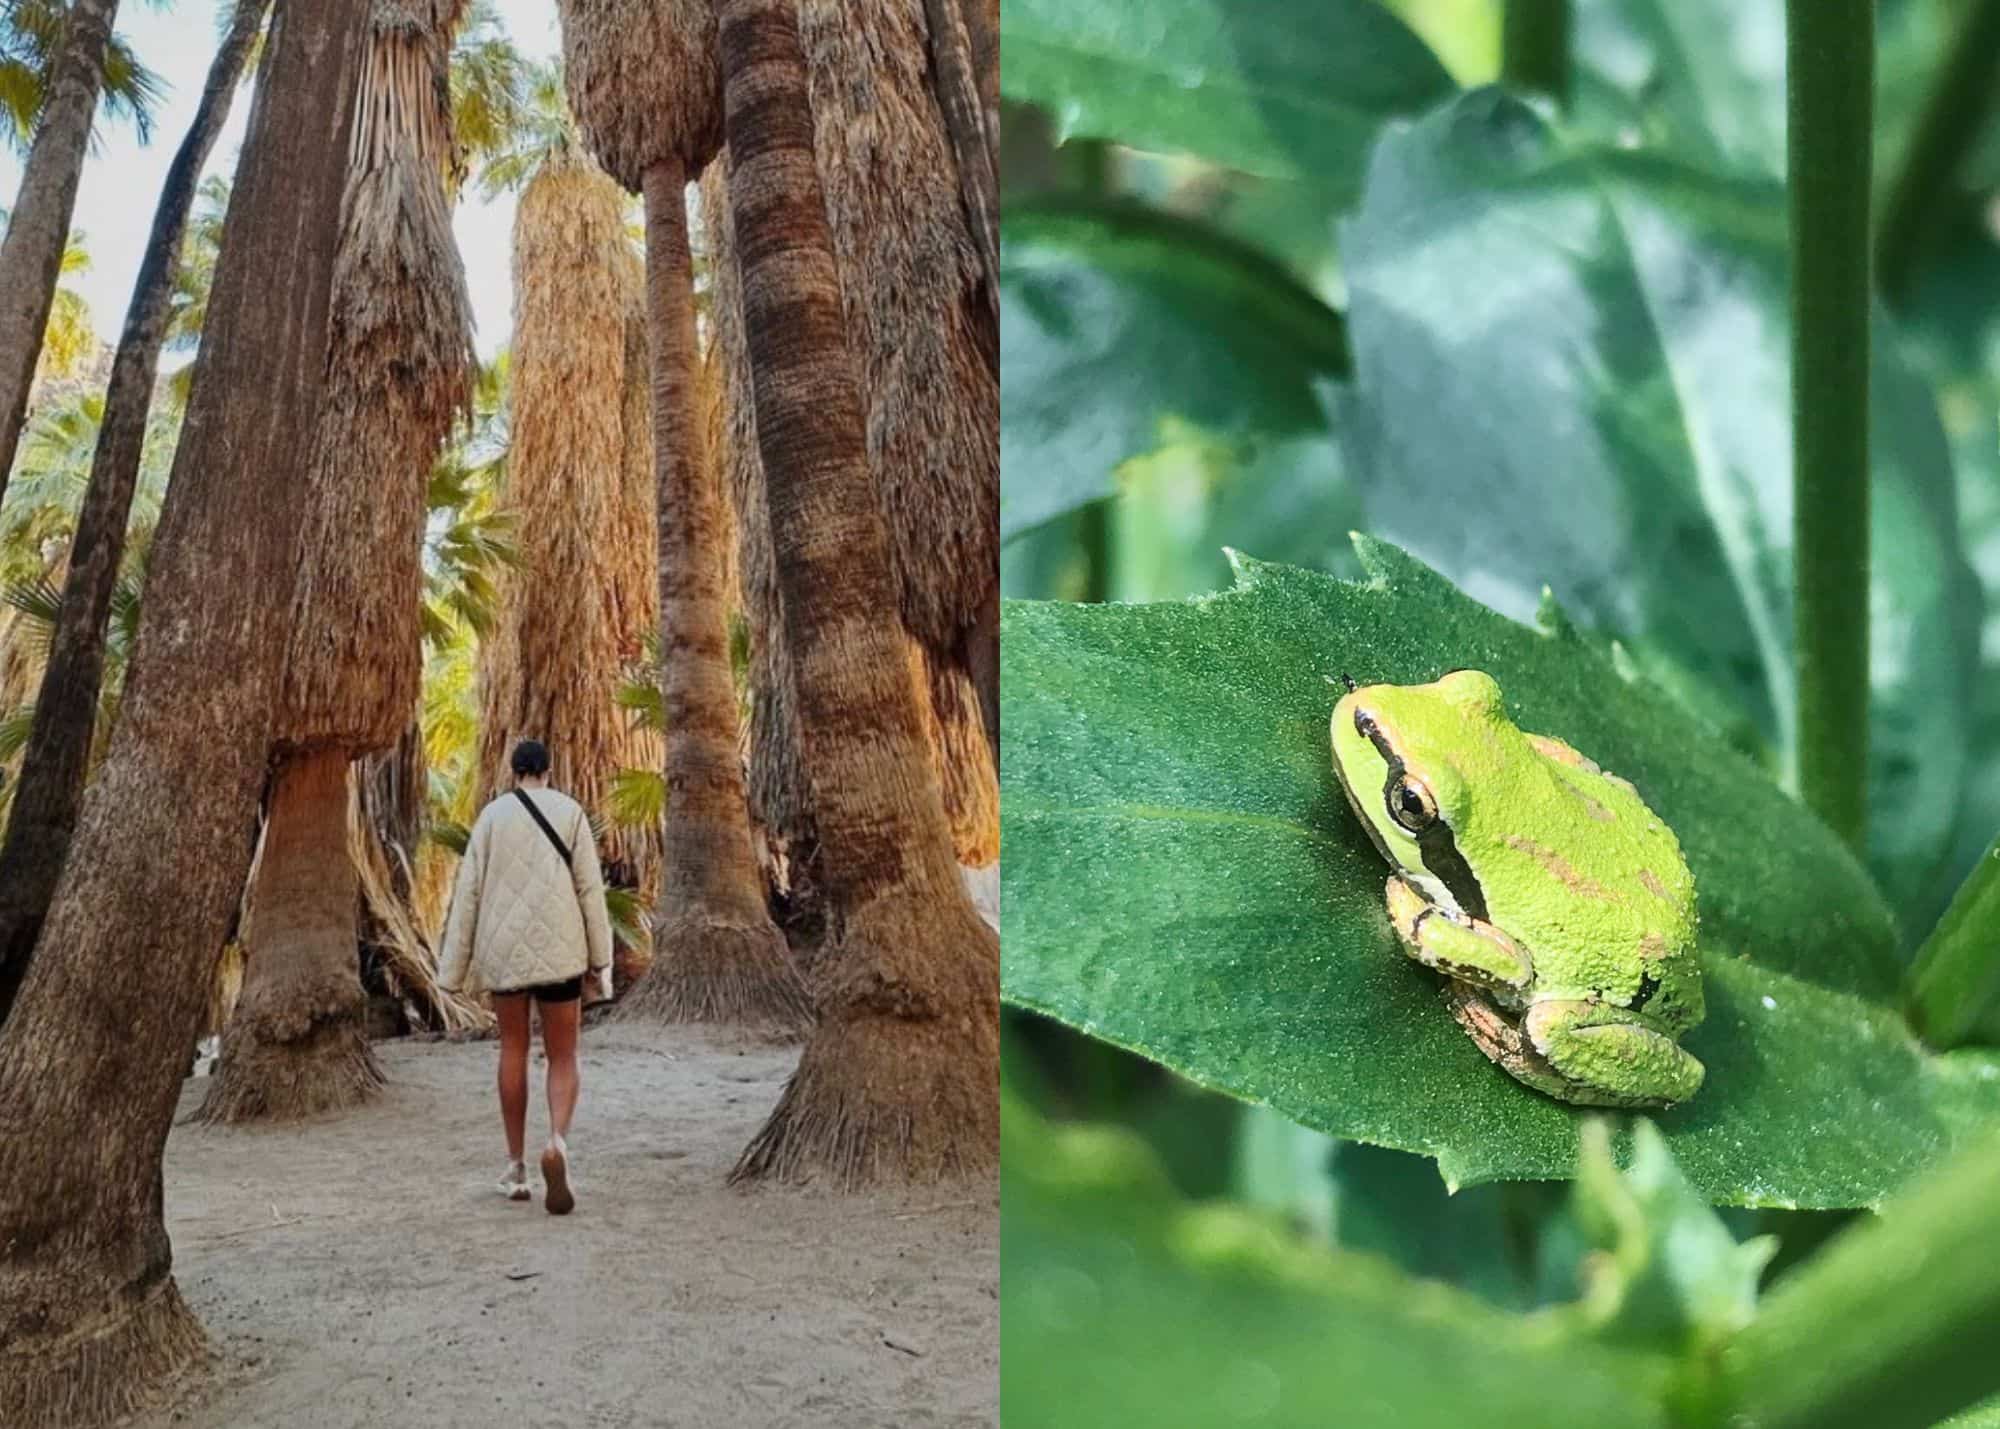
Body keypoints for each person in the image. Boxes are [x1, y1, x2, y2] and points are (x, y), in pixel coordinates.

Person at [439, 738, 615, 1215]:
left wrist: (451, 971)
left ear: (512, 771)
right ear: (548, 771)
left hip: (504, 950)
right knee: (564, 1053)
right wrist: (601, 958)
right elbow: (589, 890)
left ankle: (516, 1169)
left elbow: (469, 893)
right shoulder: (570, 811)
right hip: (561, 949)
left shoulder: (492, 818)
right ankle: (557, 1141)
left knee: (512, 1049)